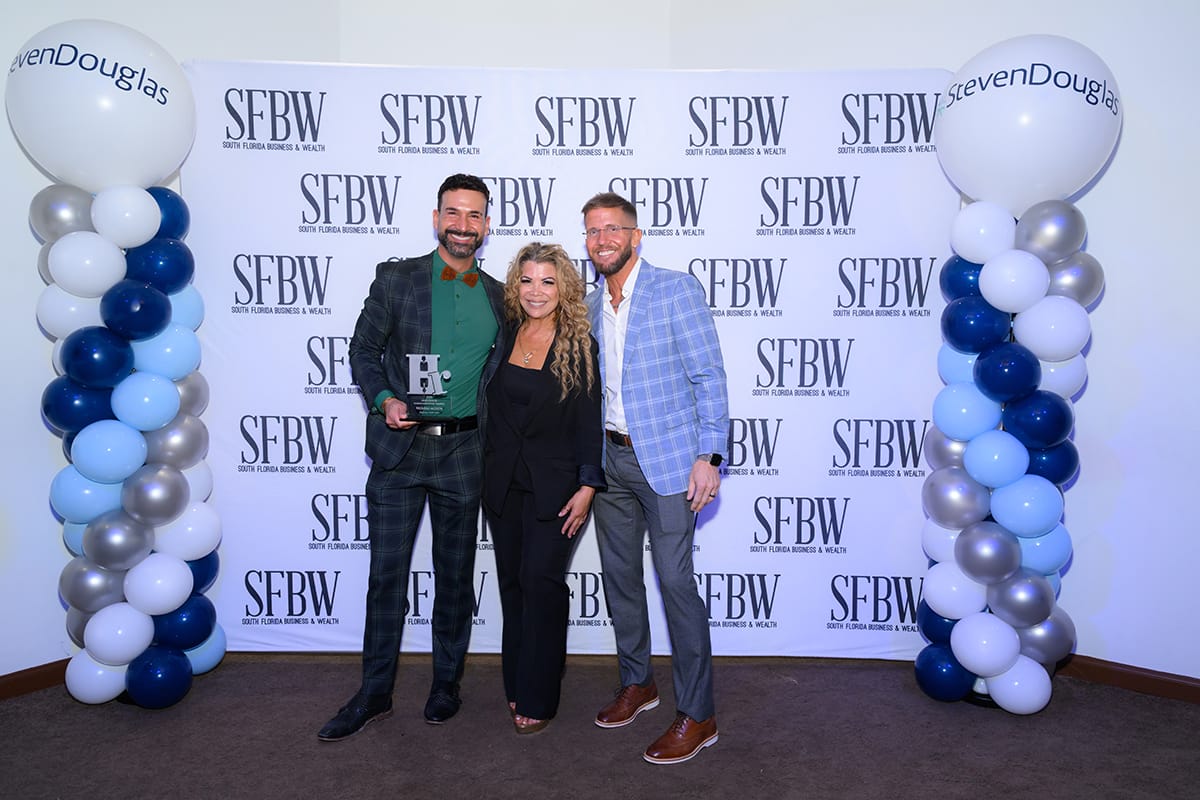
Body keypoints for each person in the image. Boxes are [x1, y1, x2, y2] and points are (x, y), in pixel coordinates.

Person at [318, 174, 506, 742]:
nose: (463, 225)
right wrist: (384, 398)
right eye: (454, 213)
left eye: (474, 215)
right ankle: (374, 693)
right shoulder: (397, 279)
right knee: (386, 578)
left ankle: (446, 684)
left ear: (487, 225)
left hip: (465, 452)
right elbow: (363, 350)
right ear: (436, 218)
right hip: (401, 451)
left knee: (456, 577)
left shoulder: (502, 297)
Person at [581, 191, 729, 765]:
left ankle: (698, 713)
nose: (603, 240)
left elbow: (708, 375)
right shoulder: (589, 305)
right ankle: (638, 683)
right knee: (620, 578)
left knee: (675, 583)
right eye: (593, 231)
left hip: (669, 462)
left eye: (613, 229)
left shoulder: (675, 289)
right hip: (610, 461)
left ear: (635, 236)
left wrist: (709, 454)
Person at [481, 241, 606, 735]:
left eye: (547, 281)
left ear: (564, 288)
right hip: (502, 484)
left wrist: (588, 485)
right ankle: (518, 678)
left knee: (542, 582)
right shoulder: (506, 332)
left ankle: (540, 694)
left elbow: (589, 421)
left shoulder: (579, 344)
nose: (536, 291)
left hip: (557, 488)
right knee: (512, 584)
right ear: (516, 286)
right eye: (527, 280)